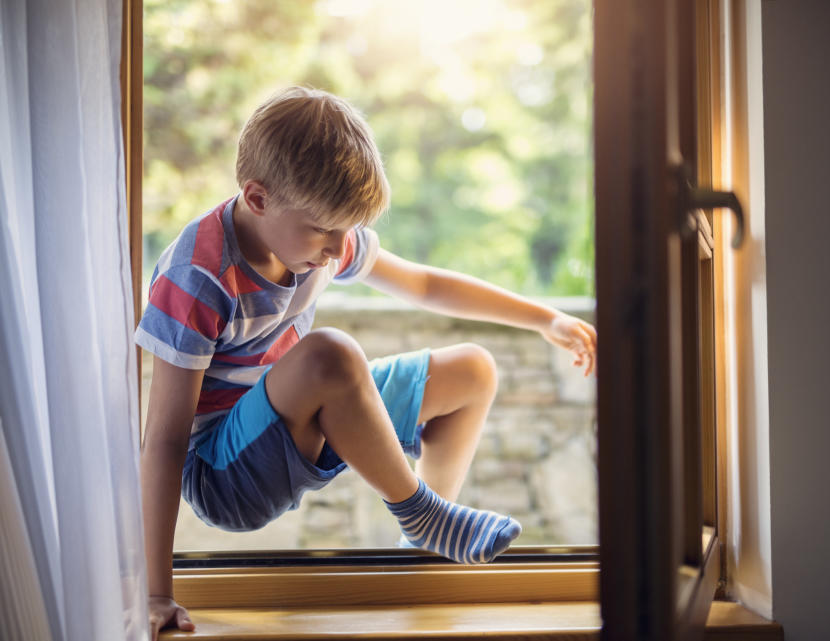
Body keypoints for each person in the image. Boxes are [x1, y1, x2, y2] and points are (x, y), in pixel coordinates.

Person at [137, 86, 597, 639]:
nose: (336, 250)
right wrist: (155, 593)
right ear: (257, 198)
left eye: (344, 231)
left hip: (297, 416)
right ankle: (421, 511)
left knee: (472, 371)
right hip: (223, 473)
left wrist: (542, 319)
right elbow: (163, 442)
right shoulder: (198, 276)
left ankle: (422, 549)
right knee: (332, 352)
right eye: (323, 231)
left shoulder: (315, 235)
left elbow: (425, 284)